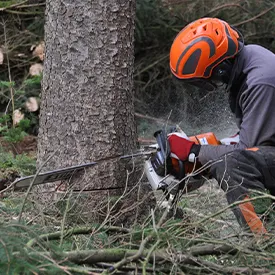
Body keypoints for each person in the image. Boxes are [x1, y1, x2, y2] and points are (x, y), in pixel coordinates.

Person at [167, 17, 275, 235]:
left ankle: (265, 243)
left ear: (221, 68)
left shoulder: (259, 82)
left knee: (231, 164)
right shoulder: (249, 60)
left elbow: (248, 152)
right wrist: (205, 146)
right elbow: (257, 136)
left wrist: (195, 152)